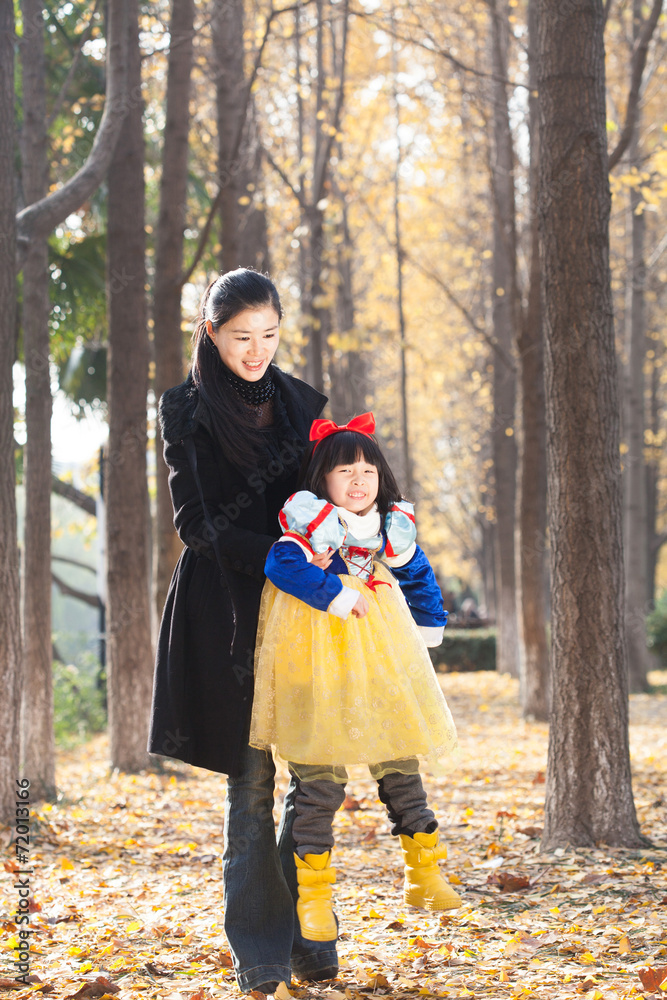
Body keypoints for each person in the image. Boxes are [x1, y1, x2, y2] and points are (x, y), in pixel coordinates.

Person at [148, 268, 338, 993]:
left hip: (306, 609)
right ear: (210, 332)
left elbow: (331, 489)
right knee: (251, 783)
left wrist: (357, 529)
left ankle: (300, 926)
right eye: (239, 338)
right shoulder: (185, 410)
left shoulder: (298, 404)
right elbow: (195, 526)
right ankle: (260, 947)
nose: (255, 351)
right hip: (226, 607)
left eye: (268, 336)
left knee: (320, 776)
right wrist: (285, 554)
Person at [249, 413, 462, 942]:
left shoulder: (389, 527)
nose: (359, 479)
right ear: (322, 478)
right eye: (345, 469)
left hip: (378, 654)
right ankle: (314, 899)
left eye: (368, 468)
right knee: (320, 780)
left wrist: (430, 623)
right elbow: (281, 567)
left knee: (399, 760)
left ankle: (424, 873)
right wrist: (337, 593)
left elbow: (417, 571)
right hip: (316, 656)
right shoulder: (310, 526)